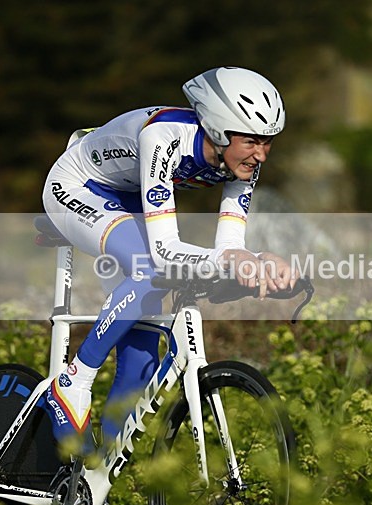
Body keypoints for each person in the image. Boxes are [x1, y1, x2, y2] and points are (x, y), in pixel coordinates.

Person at [41, 66, 296, 475]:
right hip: (79, 186)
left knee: (143, 356)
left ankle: (94, 481)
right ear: (217, 129)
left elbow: (229, 248)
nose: (261, 154)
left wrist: (260, 261)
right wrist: (237, 261)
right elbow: (162, 254)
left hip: (130, 201)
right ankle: (73, 381)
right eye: (252, 141)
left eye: (268, 142)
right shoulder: (164, 137)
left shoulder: (244, 162)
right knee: (148, 270)